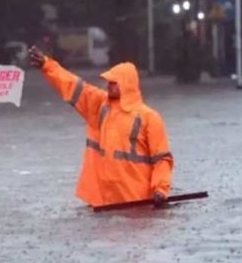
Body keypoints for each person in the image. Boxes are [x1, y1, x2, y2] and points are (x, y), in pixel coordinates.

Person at [29, 46, 174, 207]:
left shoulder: (150, 118)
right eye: (109, 82)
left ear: (126, 85)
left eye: (114, 83)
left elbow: (162, 159)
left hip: (136, 202)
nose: (109, 85)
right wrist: (47, 65)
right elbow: (73, 86)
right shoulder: (100, 105)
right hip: (102, 201)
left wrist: (160, 190)